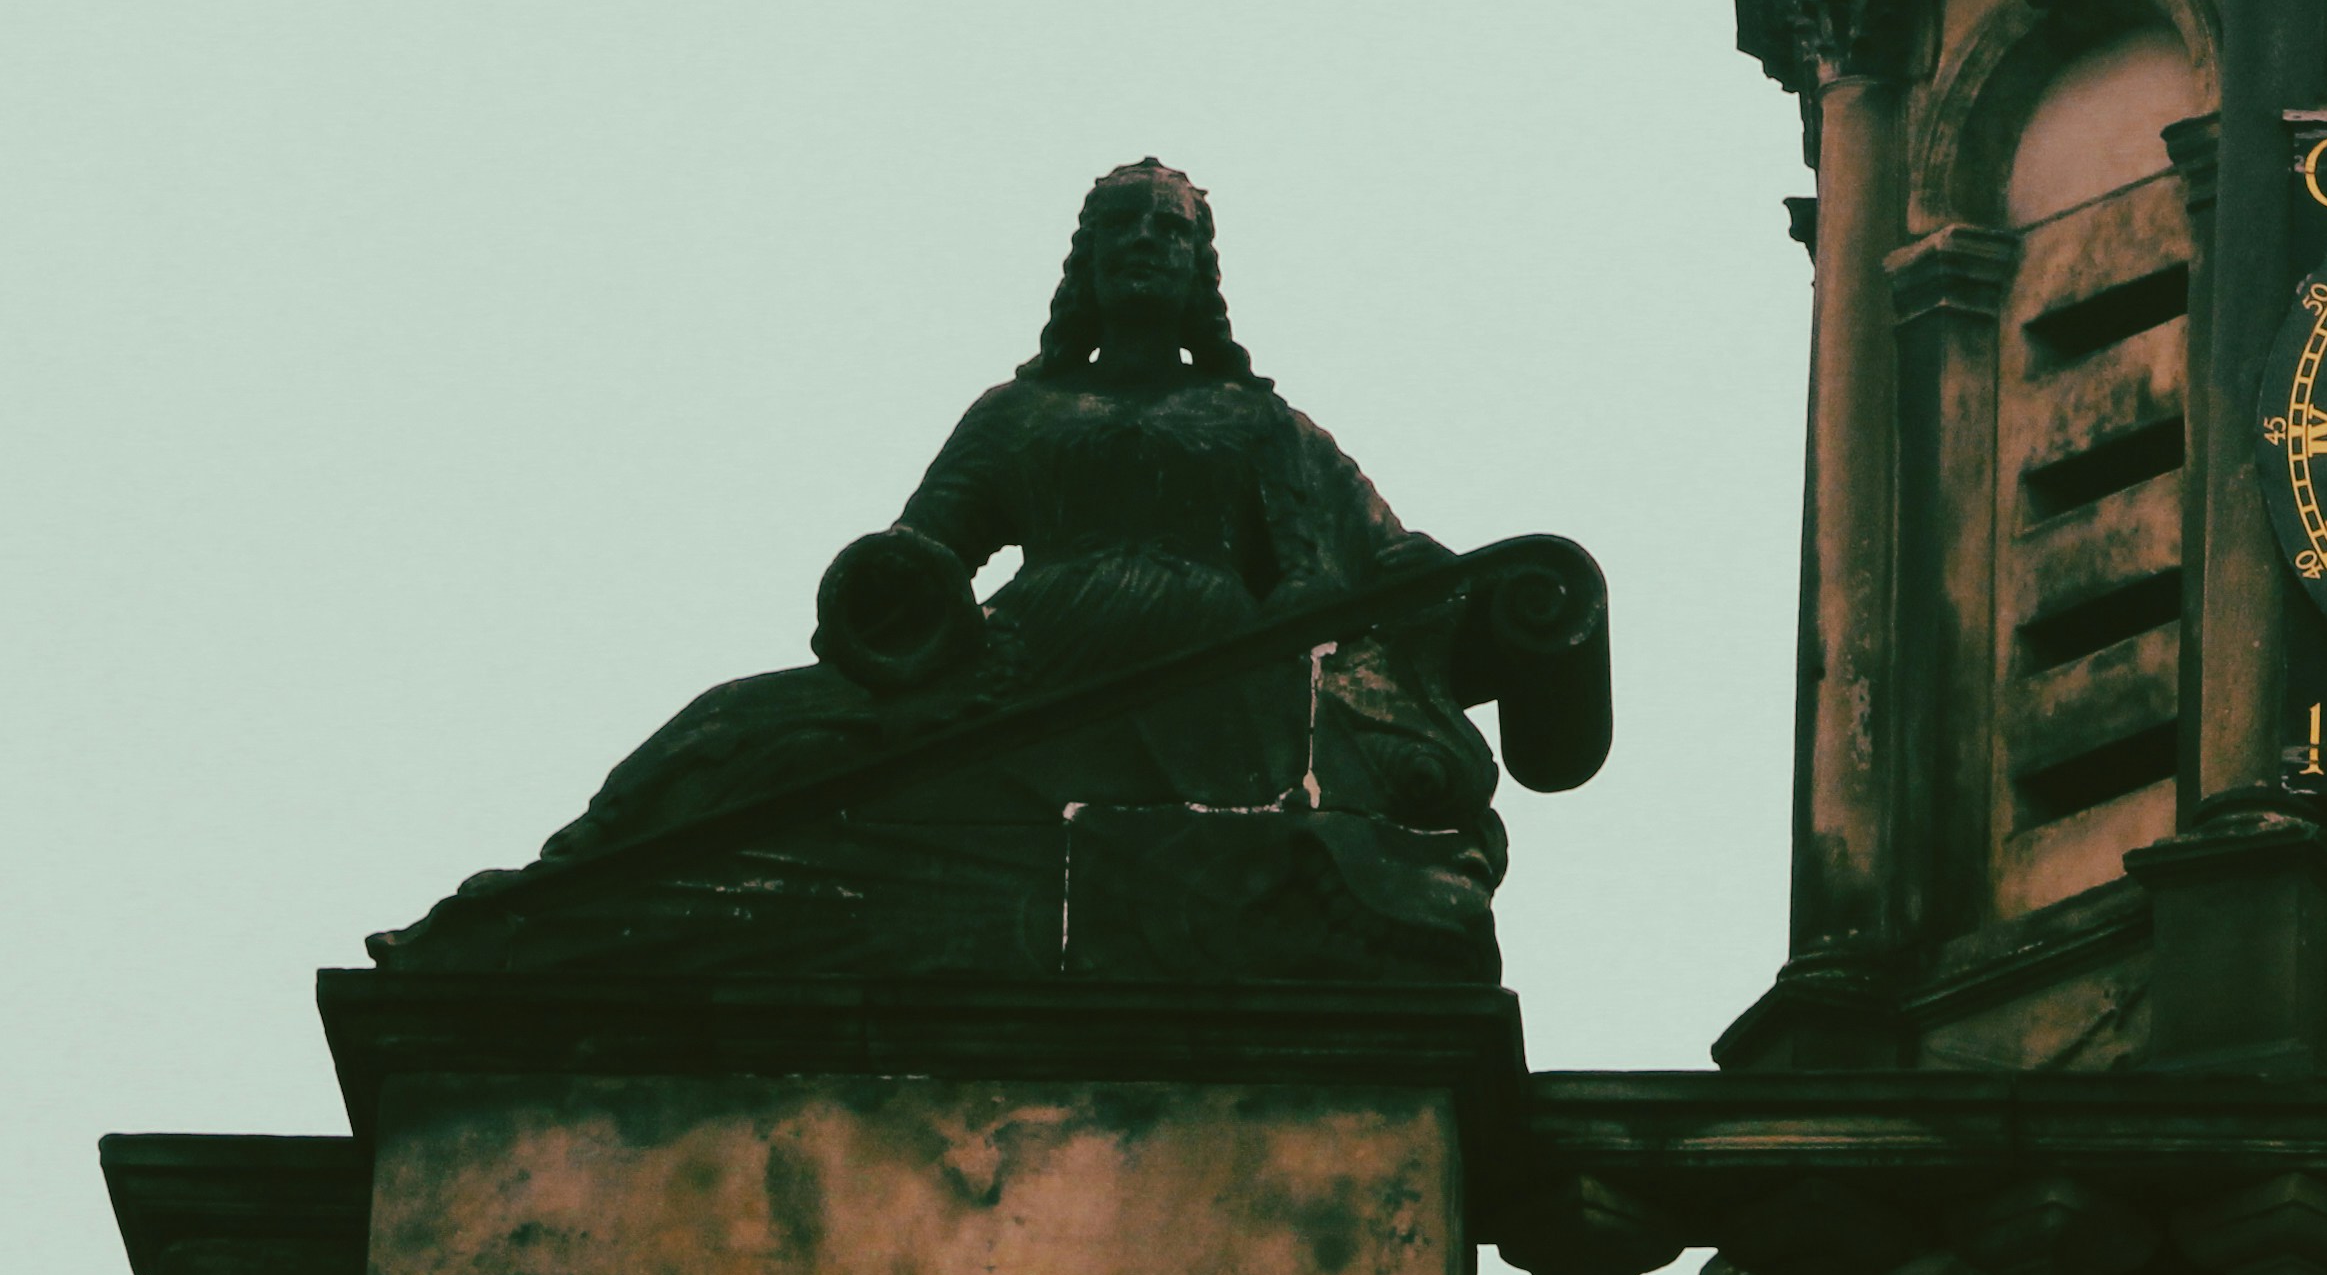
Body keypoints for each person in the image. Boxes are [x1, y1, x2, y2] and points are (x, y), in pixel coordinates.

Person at [376, 160, 1506, 978]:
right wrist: (894, 587)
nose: (1147, 245)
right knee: (736, 728)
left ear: (1201, 268)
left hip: (1207, 690)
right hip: (1025, 662)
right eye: (1124, 231)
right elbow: (922, 555)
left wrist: (1473, 605)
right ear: (1088, 264)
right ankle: (560, 885)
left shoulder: (1264, 424)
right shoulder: (1018, 413)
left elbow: (1389, 562)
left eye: (1171, 233)